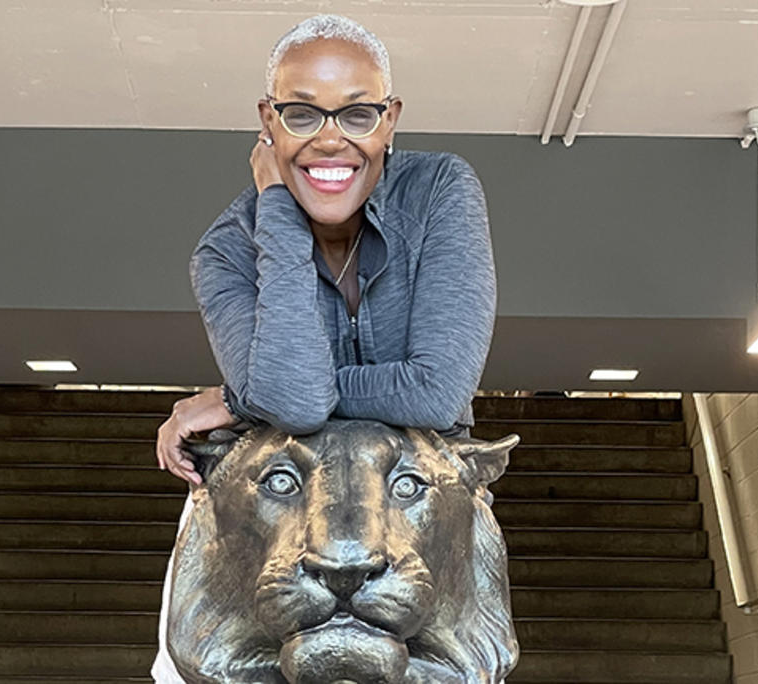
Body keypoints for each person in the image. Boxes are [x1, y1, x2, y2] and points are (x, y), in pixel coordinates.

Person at [151, 13, 498, 682]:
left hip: (413, 515)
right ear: (268, 118)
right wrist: (276, 209)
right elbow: (295, 397)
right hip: (269, 523)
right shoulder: (226, 250)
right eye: (303, 115)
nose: (332, 140)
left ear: (391, 118)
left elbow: (436, 391)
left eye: (358, 114)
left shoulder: (441, 192)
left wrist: (240, 395)